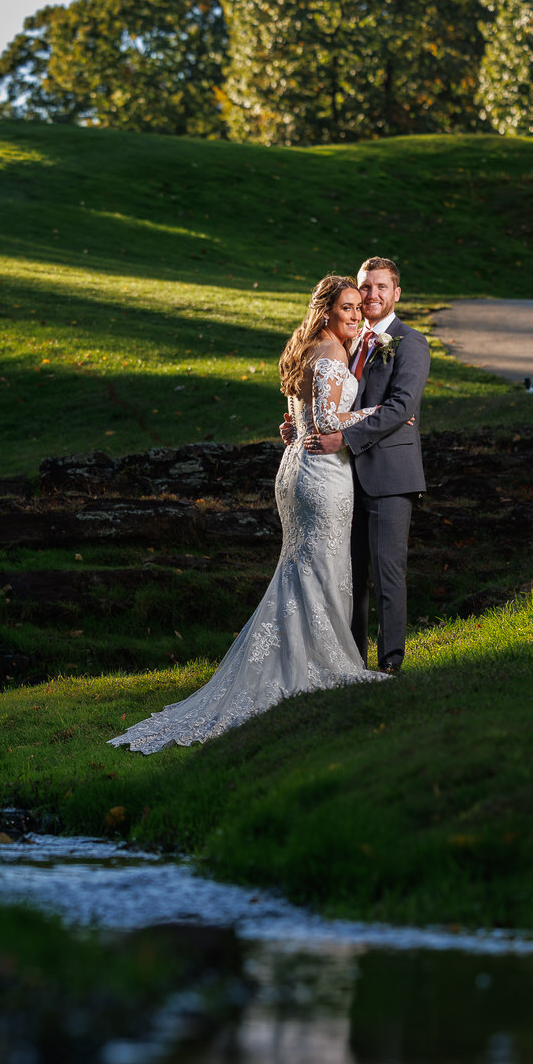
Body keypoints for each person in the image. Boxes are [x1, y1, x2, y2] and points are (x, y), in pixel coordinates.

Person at [110, 276, 388, 755]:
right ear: (326, 312)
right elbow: (327, 424)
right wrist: (378, 413)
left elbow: (298, 417)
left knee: (302, 569)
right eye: (347, 308)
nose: (355, 316)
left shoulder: (304, 347)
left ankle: (304, 657)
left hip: (296, 471)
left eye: (357, 310)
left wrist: (299, 424)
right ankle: (316, 666)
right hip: (321, 474)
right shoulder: (331, 352)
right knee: (318, 569)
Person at [291, 257, 428, 674]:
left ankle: (390, 663)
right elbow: (330, 396)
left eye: (381, 287)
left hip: (389, 475)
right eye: (365, 287)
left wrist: (345, 435)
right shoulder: (347, 339)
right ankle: (352, 662)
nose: (371, 295)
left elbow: (402, 406)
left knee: (387, 572)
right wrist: (300, 423)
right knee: (350, 577)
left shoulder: (410, 342)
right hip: (342, 476)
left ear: (396, 293)